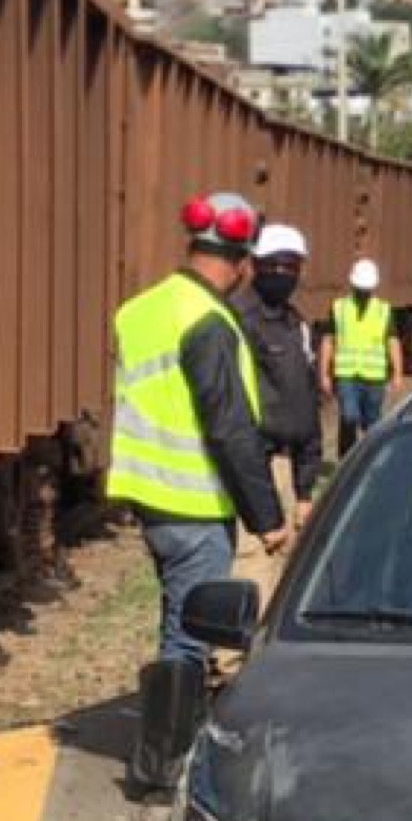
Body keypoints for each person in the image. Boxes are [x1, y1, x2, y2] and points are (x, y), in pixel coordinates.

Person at [108, 192, 288, 789]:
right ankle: (161, 768)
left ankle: (164, 757)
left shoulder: (141, 310)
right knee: (189, 639)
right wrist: (266, 515)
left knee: (176, 625)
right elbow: (228, 424)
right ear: (241, 263)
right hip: (193, 502)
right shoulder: (208, 321)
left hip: (151, 497)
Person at [230, 221, 322, 607]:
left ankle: (262, 648)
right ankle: (233, 657)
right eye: (274, 264)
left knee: (284, 564)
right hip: (253, 461)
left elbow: (305, 402)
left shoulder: (294, 322)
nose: (282, 273)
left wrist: (305, 488)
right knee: (251, 562)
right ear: (254, 264)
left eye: (290, 265)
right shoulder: (238, 319)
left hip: (286, 464)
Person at [322, 258, 404, 458]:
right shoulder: (339, 307)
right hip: (347, 376)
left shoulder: (383, 310)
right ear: (353, 284)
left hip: (375, 379)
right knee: (349, 417)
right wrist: (324, 373)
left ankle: (368, 462)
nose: (363, 292)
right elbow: (328, 341)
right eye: (360, 287)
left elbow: (392, 341)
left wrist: (398, 374)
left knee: (373, 424)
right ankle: (346, 459)